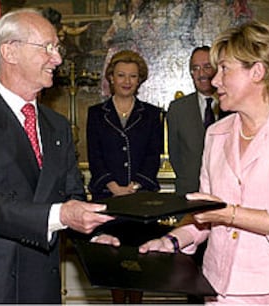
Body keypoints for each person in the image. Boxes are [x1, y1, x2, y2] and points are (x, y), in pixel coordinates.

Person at [138, 20, 269, 304]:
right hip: (224, 289)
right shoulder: (216, 133)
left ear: (257, 71)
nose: (214, 80)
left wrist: (228, 214)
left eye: (224, 69)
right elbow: (204, 215)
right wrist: (171, 240)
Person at [0, 8, 113, 304]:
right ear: (10, 51)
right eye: (47, 47)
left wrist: (92, 235)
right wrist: (64, 215)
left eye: (57, 48)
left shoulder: (56, 126)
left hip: (40, 286)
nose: (57, 58)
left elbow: (71, 194)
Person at [86, 49, 163, 303]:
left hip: (141, 200)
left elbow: (154, 156)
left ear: (140, 79)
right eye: (121, 75)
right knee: (114, 262)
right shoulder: (96, 114)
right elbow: (95, 157)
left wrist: (135, 186)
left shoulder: (152, 114)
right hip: (107, 199)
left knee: (139, 261)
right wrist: (113, 187)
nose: (127, 81)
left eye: (132, 76)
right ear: (111, 78)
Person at [168, 46, 227, 196]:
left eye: (207, 67)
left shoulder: (232, 106)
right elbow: (175, 155)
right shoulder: (178, 109)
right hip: (189, 193)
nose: (201, 73)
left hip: (227, 193)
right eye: (195, 68)